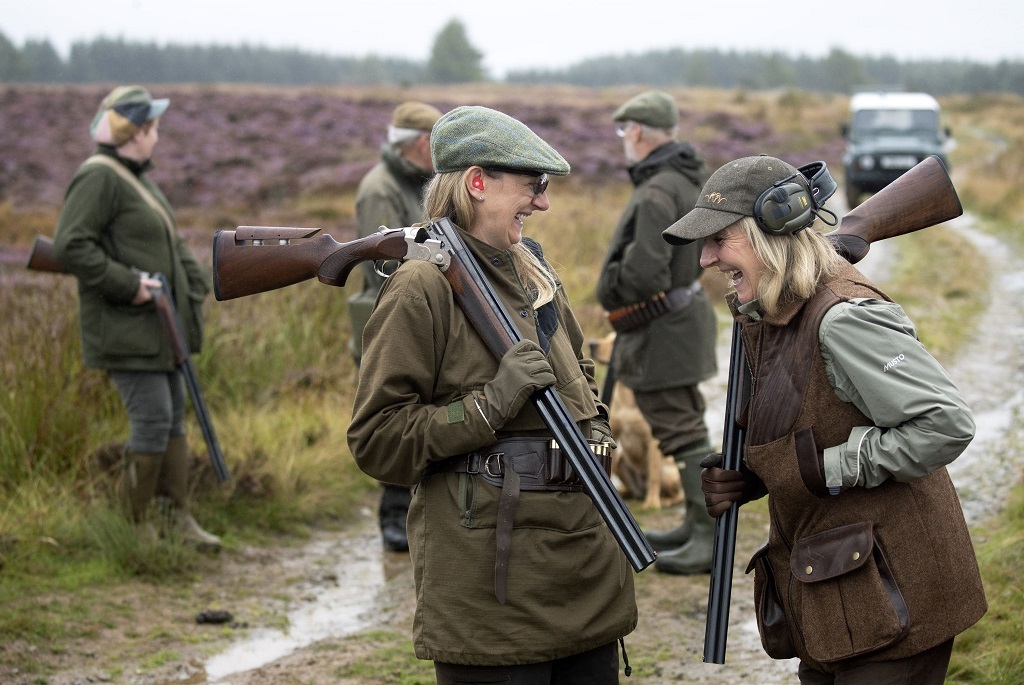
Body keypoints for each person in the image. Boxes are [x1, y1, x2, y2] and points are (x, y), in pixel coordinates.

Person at [663, 154, 987, 683]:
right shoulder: (771, 308)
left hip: (895, 592)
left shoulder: (842, 318)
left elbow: (945, 423)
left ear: (772, 233)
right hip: (838, 594)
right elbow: (806, 416)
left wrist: (826, 467)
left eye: (720, 240)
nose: (705, 259)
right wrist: (757, 473)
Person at [348, 105, 637, 683]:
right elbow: (378, 441)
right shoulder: (419, 287)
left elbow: (578, 372)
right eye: (533, 186)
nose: (543, 202)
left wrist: (598, 434)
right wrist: (489, 403)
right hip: (492, 587)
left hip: (582, 563)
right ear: (477, 183)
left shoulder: (533, 269)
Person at [53, 85, 220, 551]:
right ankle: (135, 530)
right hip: (126, 329)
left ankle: (176, 520)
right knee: (150, 422)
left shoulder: (137, 178)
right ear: (136, 132)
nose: (158, 138)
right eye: (153, 129)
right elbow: (71, 246)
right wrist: (130, 285)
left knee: (171, 421)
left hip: (157, 330)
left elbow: (166, 243)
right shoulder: (99, 177)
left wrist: (194, 285)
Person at [595, 90, 718, 574]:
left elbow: (645, 272)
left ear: (639, 131)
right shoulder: (683, 181)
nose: (624, 139)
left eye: (625, 130)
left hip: (661, 328)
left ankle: (706, 536)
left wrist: (609, 285)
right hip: (679, 318)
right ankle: (696, 523)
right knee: (685, 420)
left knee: (679, 424)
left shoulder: (655, 191)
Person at [350, 100, 443, 553]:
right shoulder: (379, 189)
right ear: (423, 143)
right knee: (394, 418)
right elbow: (380, 265)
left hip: (417, 317)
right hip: (391, 323)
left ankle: (413, 513)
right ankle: (391, 517)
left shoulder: (414, 183)